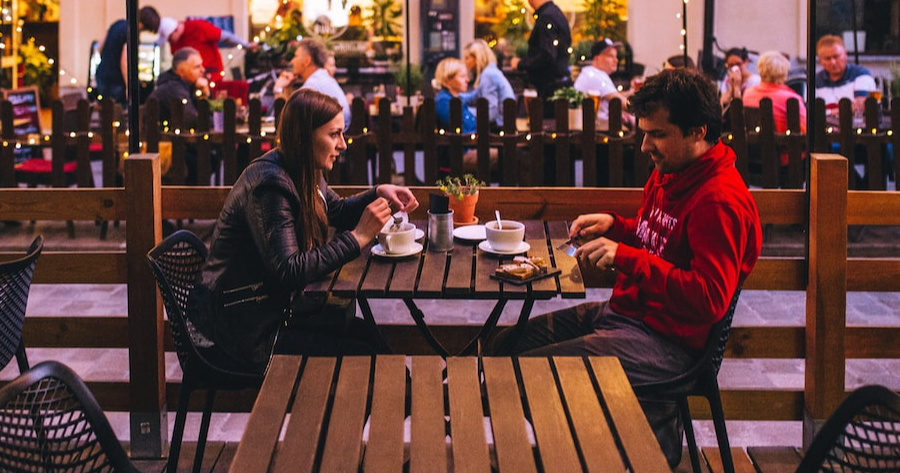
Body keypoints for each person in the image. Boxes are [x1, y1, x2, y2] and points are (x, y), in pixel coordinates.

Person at [490, 68, 763, 468]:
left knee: (528, 376)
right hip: (627, 315)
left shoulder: (719, 201)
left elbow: (710, 299)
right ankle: (585, 447)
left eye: (657, 134)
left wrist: (624, 256)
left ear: (698, 132)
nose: (645, 145)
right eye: (644, 132)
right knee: (503, 347)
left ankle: (616, 449)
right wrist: (617, 227)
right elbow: (661, 238)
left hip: (670, 345)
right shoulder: (672, 170)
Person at [188, 89, 419, 374]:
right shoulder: (270, 185)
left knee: (369, 340)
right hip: (241, 333)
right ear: (304, 137)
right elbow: (290, 269)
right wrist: (359, 237)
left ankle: (398, 399)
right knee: (370, 358)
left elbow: (336, 210)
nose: (343, 145)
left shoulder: (301, 167)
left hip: (268, 314)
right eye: (334, 134)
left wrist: (377, 192)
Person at [146, 47, 210, 185]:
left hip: (173, 145)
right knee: (205, 160)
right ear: (181, 71)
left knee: (209, 157)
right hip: (165, 150)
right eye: (197, 67)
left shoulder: (184, 87)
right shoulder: (174, 88)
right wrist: (203, 96)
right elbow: (192, 119)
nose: (202, 70)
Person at [743, 51, 807, 171]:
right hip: (785, 162)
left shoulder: (748, 94)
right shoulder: (791, 98)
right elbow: (804, 132)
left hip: (752, 160)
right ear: (784, 72)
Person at [434, 57, 498, 174]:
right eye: (462, 76)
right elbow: (462, 131)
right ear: (448, 79)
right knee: (507, 154)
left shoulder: (457, 99)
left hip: (471, 149)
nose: (467, 80)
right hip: (460, 155)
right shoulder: (443, 102)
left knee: (512, 152)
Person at [273, 38, 351, 130]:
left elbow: (288, 123)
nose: (292, 61)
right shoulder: (322, 78)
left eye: (296, 56)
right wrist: (288, 87)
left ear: (307, 61)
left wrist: (278, 88)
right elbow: (293, 110)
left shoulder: (311, 87)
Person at [94, 6, 160, 106]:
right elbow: (125, 61)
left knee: (107, 109)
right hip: (116, 80)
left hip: (102, 75)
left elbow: (100, 47)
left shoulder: (117, 23)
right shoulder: (132, 32)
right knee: (121, 110)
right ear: (142, 24)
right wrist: (129, 86)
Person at [157, 17, 257, 82]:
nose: (169, 41)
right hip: (188, 81)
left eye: (169, 38)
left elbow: (226, 37)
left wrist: (246, 45)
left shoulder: (198, 27)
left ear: (176, 30)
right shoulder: (175, 42)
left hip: (211, 77)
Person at [510, 0, 572, 105]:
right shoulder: (554, 13)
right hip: (557, 88)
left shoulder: (547, 17)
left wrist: (521, 63)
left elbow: (547, 55)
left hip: (549, 90)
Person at [573, 39, 632, 131]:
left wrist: (631, 91)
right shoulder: (594, 76)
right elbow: (621, 102)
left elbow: (613, 95)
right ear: (597, 58)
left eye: (616, 56)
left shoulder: (592, 73)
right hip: (597, 131)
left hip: (594, 128)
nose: (616, 60)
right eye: (611, 56)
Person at [814, 34, 877, 113]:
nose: (833, 62)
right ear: (820, 60)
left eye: (836, 56)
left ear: (845, 54)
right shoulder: (815, 81)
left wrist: (828, 112)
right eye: (827, 58)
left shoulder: (861, 75)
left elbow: (861, 107)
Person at [462, 39, 515, 128]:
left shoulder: (488, 75)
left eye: (467, 58)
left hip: (499, 127)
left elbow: (491, 113)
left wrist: (465, 112)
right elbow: (475, 95)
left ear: (477, 58)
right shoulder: (490, 71)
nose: (465, 62)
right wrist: (455, 96)